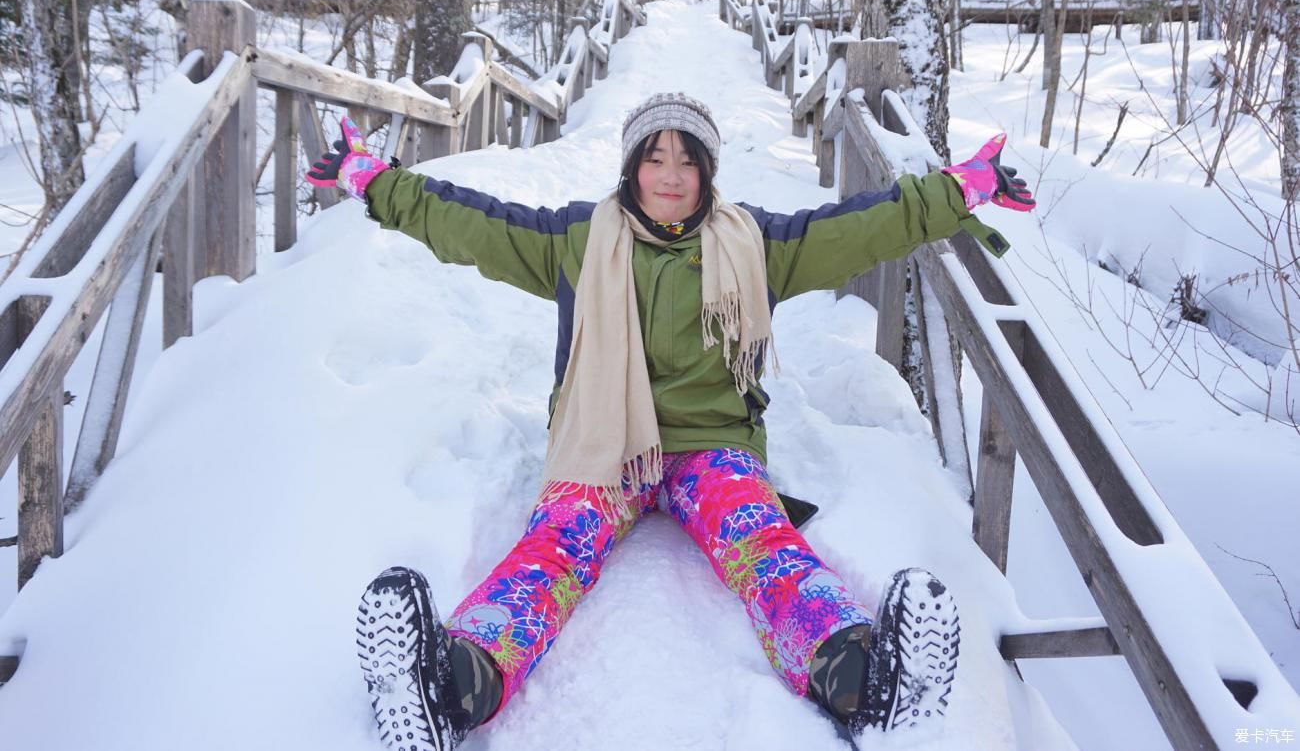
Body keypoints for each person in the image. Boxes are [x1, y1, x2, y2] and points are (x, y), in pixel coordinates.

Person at [307, 94, 1035, 751]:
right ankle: (450, 688)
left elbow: (864, 228)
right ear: (630, 168)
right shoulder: (577, 241)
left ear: (709, 174)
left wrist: (959, 189)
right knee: (552, 552)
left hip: (713, 450)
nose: (671, 174)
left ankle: (865, 686)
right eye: (654, 157)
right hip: (604, 445)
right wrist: (376, 179)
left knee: (765, 548)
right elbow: (467, 222)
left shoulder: (754, 243)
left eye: (689, 161)